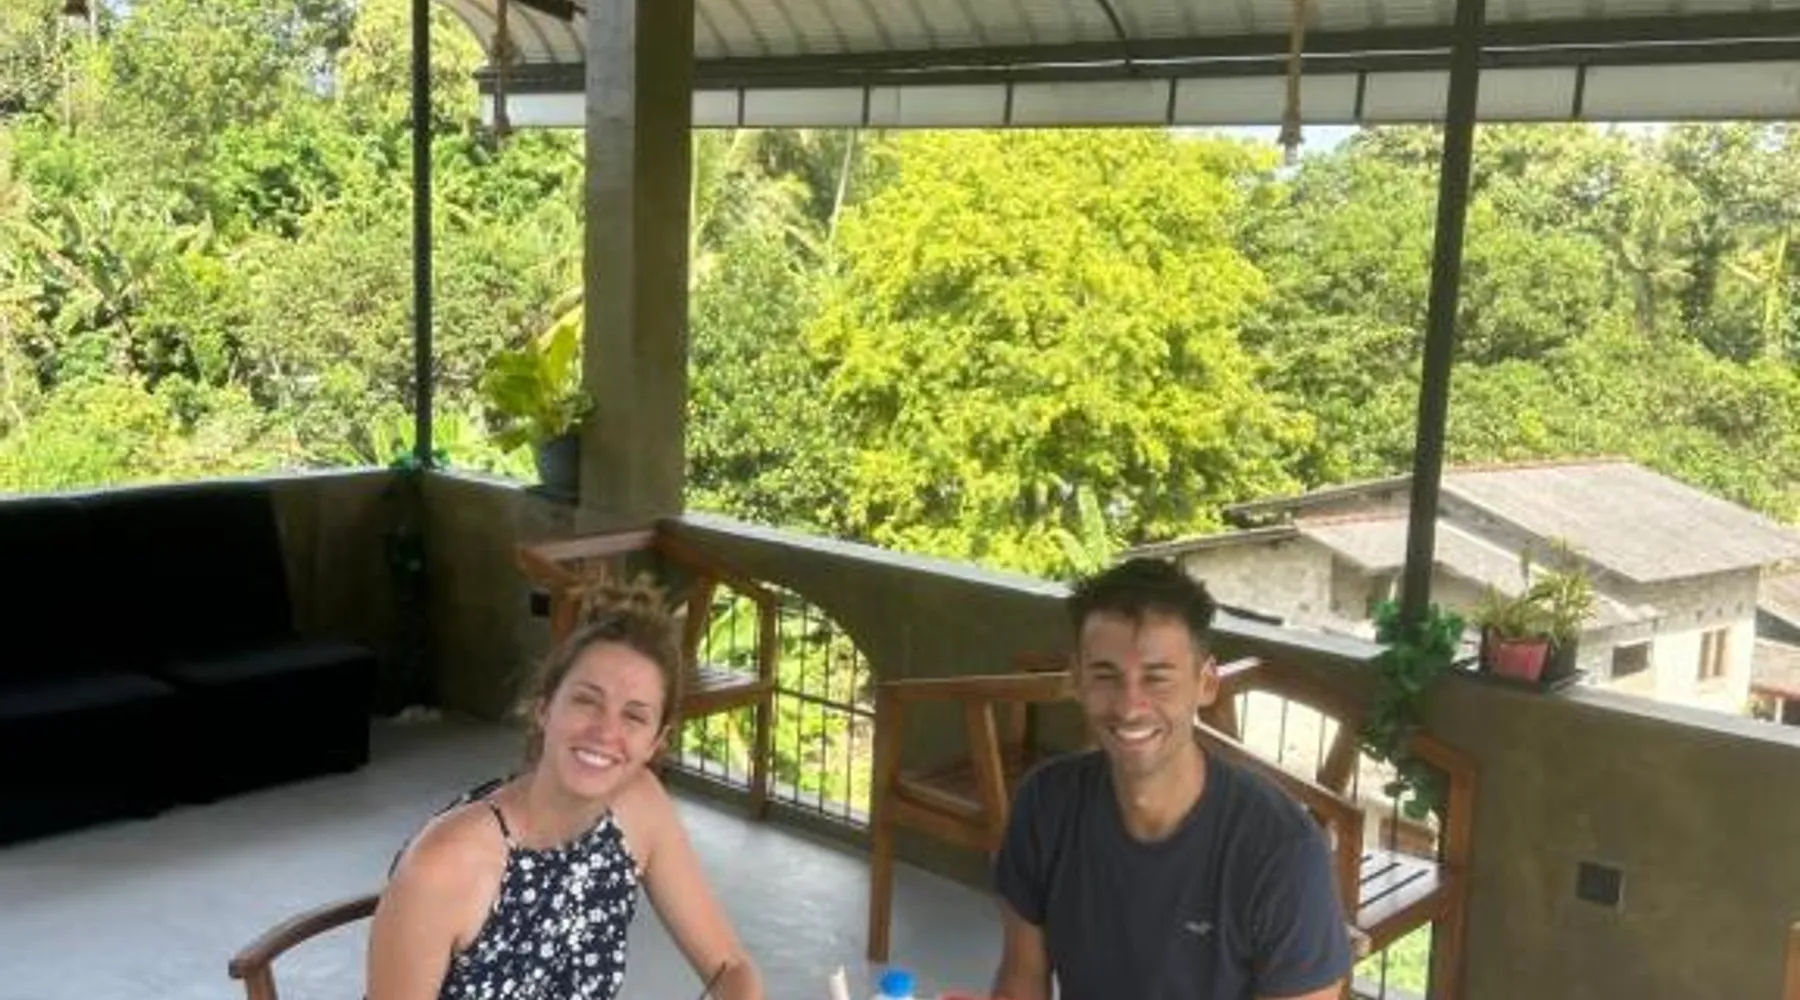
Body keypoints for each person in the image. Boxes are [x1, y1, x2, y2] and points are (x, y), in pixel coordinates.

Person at [367, 577, 764, 1000]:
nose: (606, 731)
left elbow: (732, 967)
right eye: (586, 700)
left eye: (634, 716)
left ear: (655, 742)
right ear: (544, 708)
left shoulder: (639, 807)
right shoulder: (443, 865)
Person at [990, 557, 1352, 1000]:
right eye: (1106, 676)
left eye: (1157, 678)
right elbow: (1021, 983)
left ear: (1206, 684)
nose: (1129, 707)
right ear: (1078, 680)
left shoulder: (1281, 851)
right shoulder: (1046, 803)